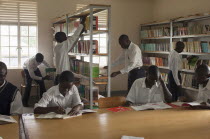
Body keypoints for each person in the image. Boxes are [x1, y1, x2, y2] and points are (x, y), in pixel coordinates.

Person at [54, 17, 86, 85]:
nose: (66, 38)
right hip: (64, 77)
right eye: (65, 37)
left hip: (59, 76)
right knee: (64, 94)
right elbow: (74, 36)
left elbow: (73, 42)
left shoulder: (57, 47)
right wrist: (81, 24)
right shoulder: (64, 45)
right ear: (63, 38)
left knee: (58, 94)